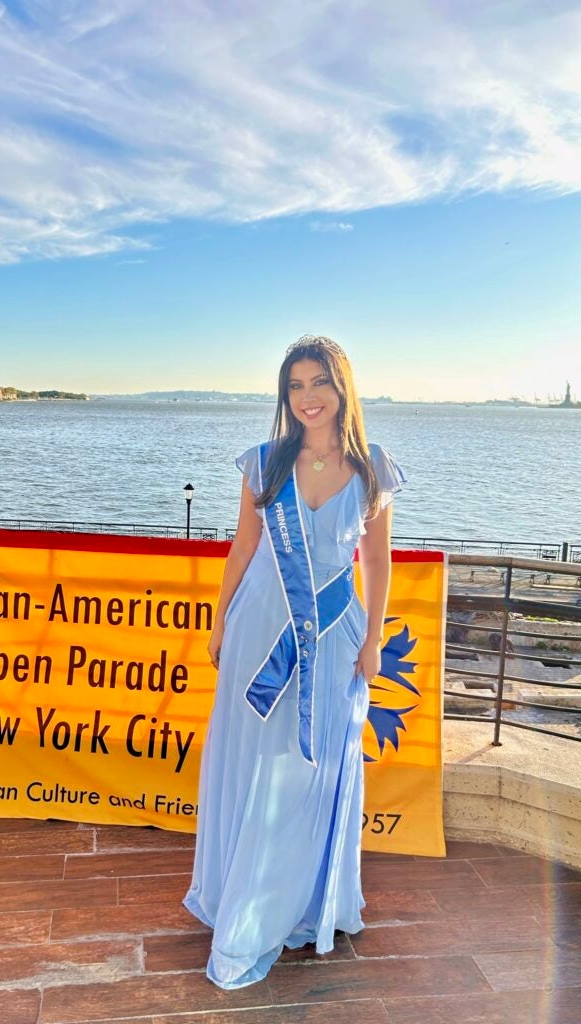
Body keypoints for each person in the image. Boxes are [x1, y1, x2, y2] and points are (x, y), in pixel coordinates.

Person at [183, 335, 406, 989]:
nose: (308, 397)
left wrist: (373, 640)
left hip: (336, 637)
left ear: (343, 388)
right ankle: (246, 900)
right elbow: (242, 549)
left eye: (320, 383)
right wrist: (221, 620)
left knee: (314, 768)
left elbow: (377, 560)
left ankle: (306, 903)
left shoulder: (372, 468)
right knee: (256, 764)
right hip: (259, 632)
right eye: (296, 385)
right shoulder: (265, 463)